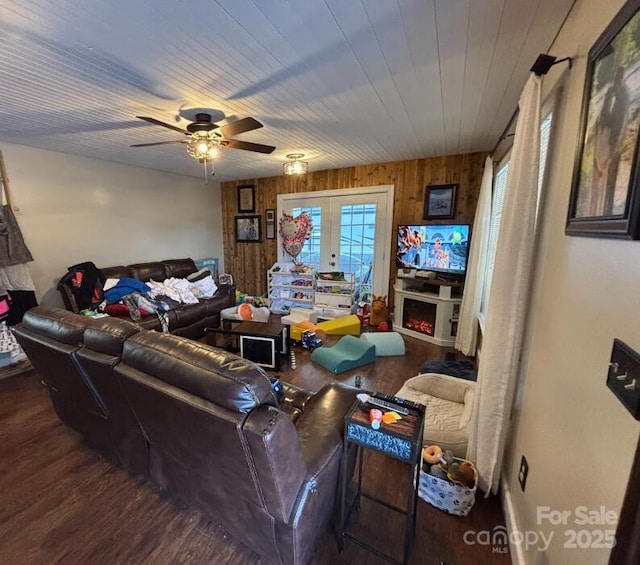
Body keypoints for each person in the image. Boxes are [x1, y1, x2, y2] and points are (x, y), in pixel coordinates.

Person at [591, 65, 629, 216]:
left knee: (612, 105)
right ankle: (616, 87)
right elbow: (612, 149)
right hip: (608, 132)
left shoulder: (600, 163)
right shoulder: (603, 163)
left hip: (606, 131)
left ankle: (615, 87)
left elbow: (604, 147)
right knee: (616, 106)